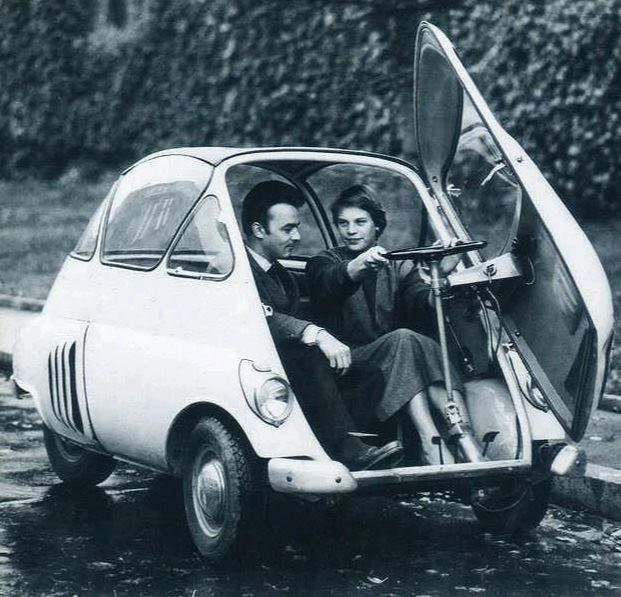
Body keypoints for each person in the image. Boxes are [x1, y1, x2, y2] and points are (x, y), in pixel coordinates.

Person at [306, 184, 484, 465]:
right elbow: (331, 281)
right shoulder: (323, 262)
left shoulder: (397, 265)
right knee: (403, 339)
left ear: (377, 225)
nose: (351, 230)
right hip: (345, 362)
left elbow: (420, 300)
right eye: (343, 223)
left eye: (360, 222)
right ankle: (431, 440)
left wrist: (440, 276)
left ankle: (461, 434)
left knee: (418, 342)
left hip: (392, 359)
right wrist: (360, 265)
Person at [241, 180, 403, 471]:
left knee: (369, 374)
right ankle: (347, 450)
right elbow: (258, 316)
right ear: (259, 230)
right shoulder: (235, 268)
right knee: (309, 355)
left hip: (289, 371)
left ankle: (346, 449)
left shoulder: (280, 273)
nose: (297, 236)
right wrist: (315, 333)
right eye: (288, 229)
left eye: (297, 227)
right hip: (256, 373)